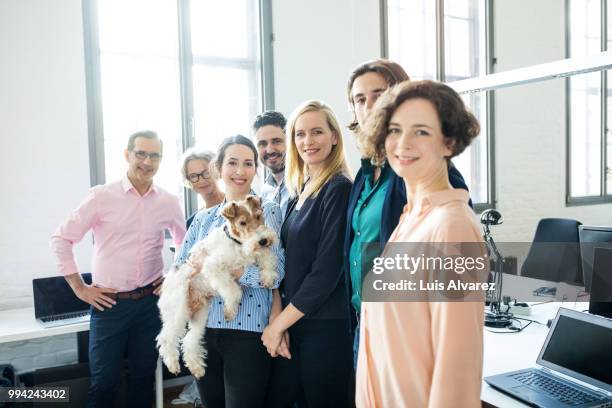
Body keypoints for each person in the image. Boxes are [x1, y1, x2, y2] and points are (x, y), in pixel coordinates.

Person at [355, 80, 485, 407]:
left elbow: (457, 365)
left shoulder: (451, 226)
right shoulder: (410, 218)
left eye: (422, 131)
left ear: (449, 142)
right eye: (395, 129)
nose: (403, 143)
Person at [344, 59, 472, 364]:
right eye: (359, 99)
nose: (369, 105)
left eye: (379, 94)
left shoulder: (425, 171)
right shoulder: (364, 174)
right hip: (366, 322)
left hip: (409, 332)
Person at [50, 130, 186, 407]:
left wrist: (175, 276)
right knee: (104, 382)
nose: (147, 162)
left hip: (151, 303)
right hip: (108, 305)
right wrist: (79, 288)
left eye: (155, 156)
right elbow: (61, 239)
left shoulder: (169, 201)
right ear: (127, 154)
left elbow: (186, 242)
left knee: (143, 378)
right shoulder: (101, 196)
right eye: (141, 154)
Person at [175, 135, 285, 408]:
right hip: (204, 328)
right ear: (219, 168)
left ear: (255, 170)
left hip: (247, 334)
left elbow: (277, 273)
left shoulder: (267, 211)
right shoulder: (203, 219)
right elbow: (180, 267)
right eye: (232, 162)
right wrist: (196, 272)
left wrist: (231, 272)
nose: (240, 171)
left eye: (248, 163)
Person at [262, 100, 354, 407]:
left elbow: (326, 272)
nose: (307, 141)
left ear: (334, 137)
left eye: (317, 132)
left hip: (325, 326)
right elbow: (280, 260)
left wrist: (278, 325)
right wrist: (280, 320)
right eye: (300, 134)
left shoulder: (338, 188)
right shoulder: (299, 188)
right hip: (296, 321)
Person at [253, 110, 290, 217]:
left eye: (276, 141)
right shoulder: (264, 192)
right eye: (262, 144)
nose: (269, 150)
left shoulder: (305, 183)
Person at [179, 147, 224, 229]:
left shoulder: (238, 206)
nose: (201, 180)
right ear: (188, 180)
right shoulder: (191, 224)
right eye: (193, 176)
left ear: (217, 171)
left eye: (206, 173)